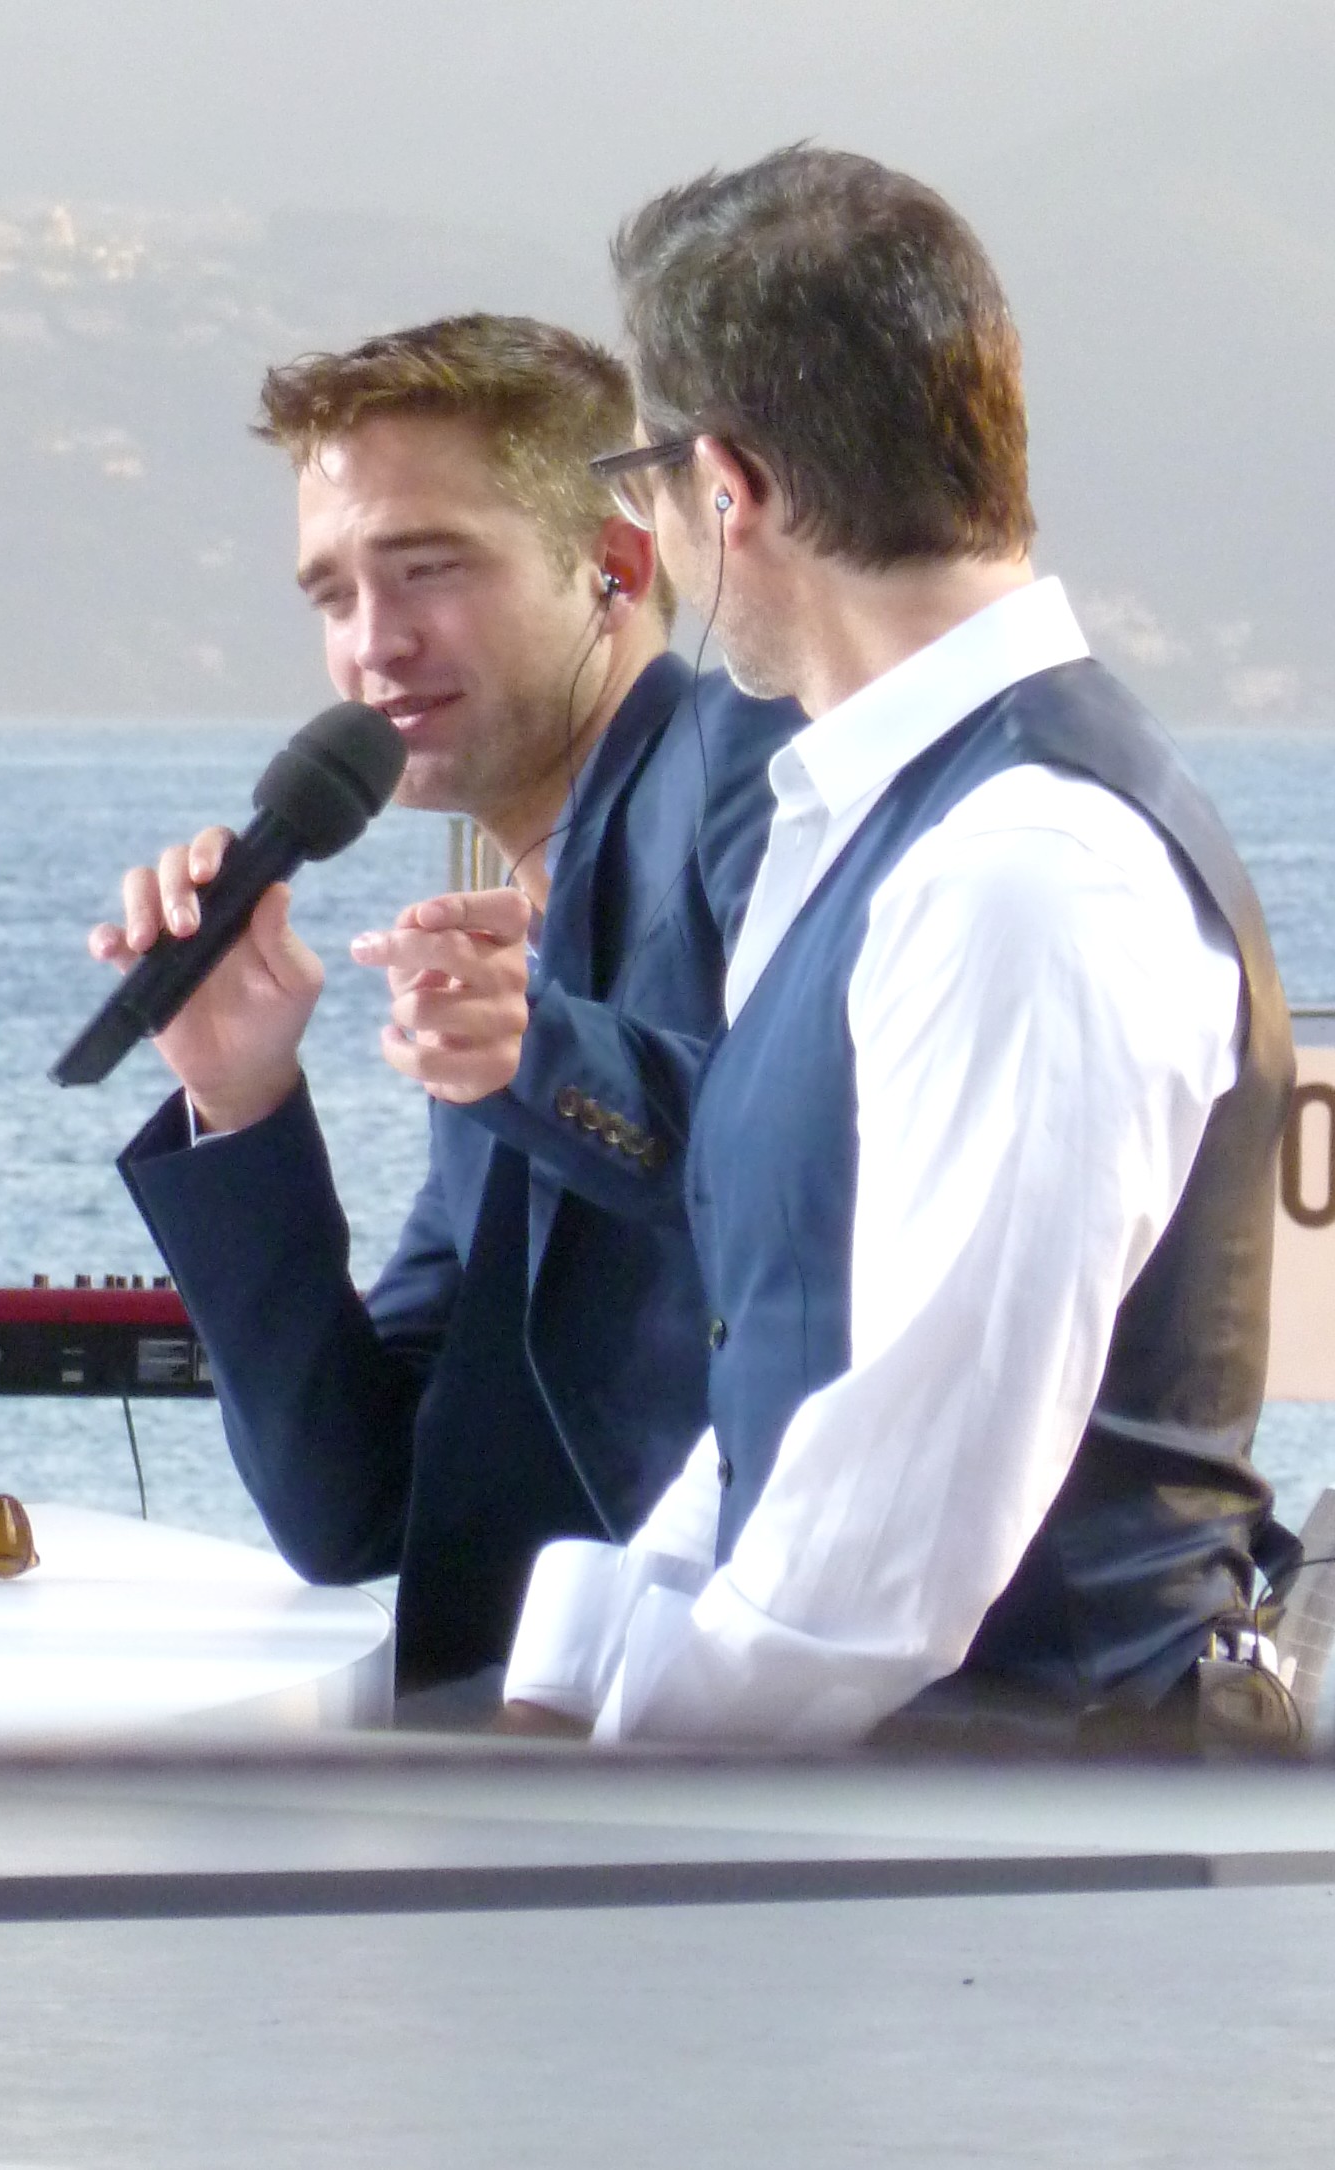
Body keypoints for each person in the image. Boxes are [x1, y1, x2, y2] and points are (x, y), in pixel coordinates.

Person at [496, 147, 1297, 1750]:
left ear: (731, 491)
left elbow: (896, 1549)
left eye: (645, 482)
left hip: (1030, 1840)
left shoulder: (1028, 874)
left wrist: (608, 1788)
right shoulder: (892, 826)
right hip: (896, 1817)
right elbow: (793, 1384)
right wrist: (576, 1672)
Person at [97, 314, 802, 1707]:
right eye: (332, 596)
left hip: (748, 1730)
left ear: (616, 566)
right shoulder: (502, 936)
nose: (375, 644)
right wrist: (242, 1101)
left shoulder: (754, 775)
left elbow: (832, 1198)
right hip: (534, 1745)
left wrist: (541, 1058)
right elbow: (353, 1505)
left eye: (430, 569)